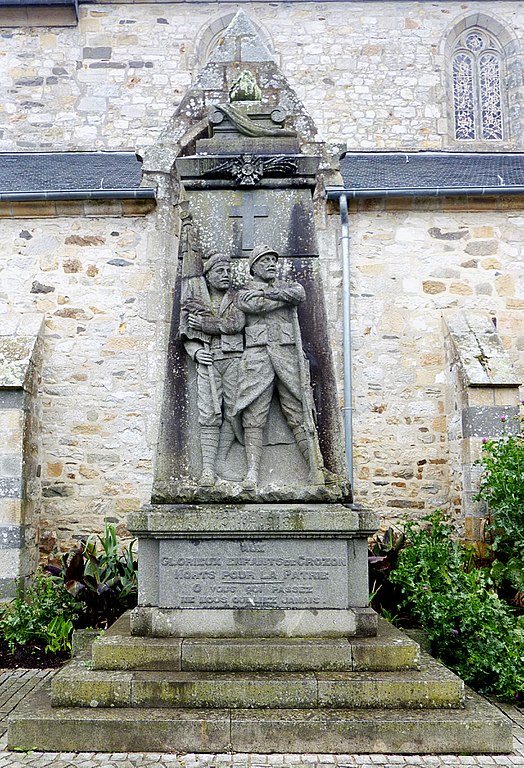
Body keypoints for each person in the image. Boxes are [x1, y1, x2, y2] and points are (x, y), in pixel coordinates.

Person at [233, 245, 324, 489]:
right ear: (254, 268)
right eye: (265, 261)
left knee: (298, 409)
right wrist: (280, 298)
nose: (272, 264)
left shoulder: (288, 286)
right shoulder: (243, 293)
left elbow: (299, 294)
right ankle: (251, 473)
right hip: (258, 356)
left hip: (287, 355)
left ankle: (315, 469)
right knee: (254, 413)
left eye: (274, 260)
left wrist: (272, 295)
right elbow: (253, 306)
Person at [182, 252, 244, 485]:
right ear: (207, 276)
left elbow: (235, 324)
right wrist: (196, 352)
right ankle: (208, 469)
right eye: (220, 271)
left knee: (233, 411)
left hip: (234, 359)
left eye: (228, 271)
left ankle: (220, 461)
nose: (225, 275)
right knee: (208, 412)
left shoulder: (237, 298)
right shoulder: (196, 301)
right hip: (208, 360)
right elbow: (187, 331)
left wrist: (206, 325)